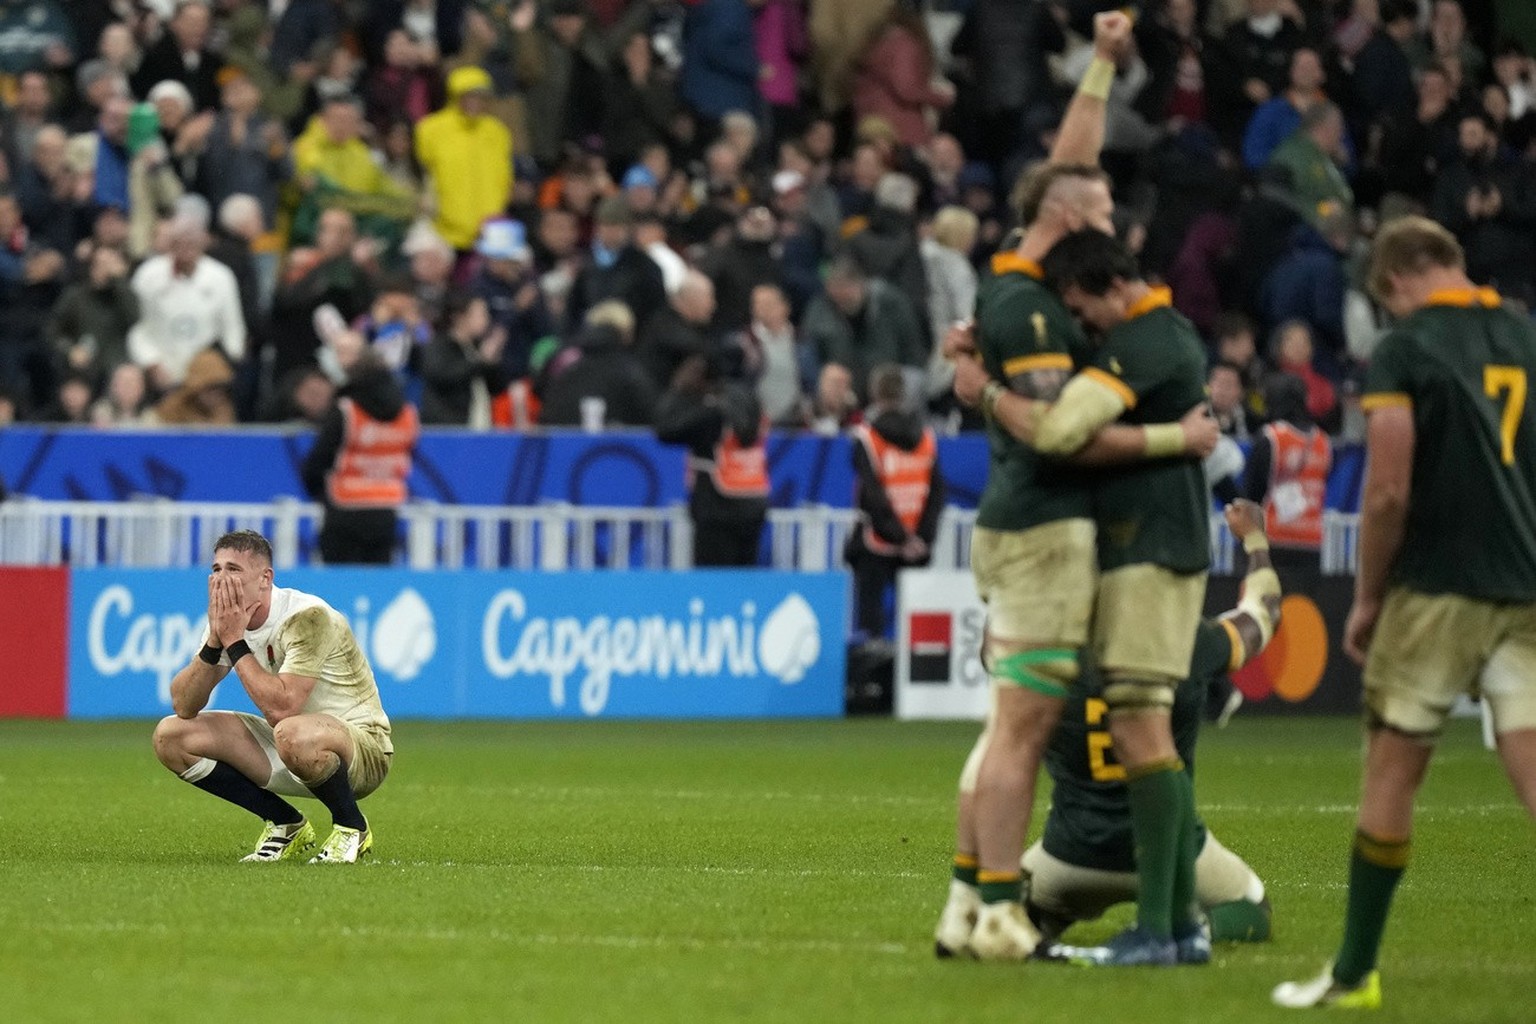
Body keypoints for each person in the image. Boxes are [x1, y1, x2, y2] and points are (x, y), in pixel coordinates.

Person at [932, 11, 1198, 963]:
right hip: (1043, 527)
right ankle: (1000, 909)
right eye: (1095, 213)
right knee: (1024, 724)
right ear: (1066, 221)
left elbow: (1066, 168)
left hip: (1030, 528)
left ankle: (968, 904)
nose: (1109, 222)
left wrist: (1099, 67)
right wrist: (1179, 434)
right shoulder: (1034, 303)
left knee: (1012, 722)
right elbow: (1054, 432)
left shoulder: (1026, 271)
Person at [1273, 216, 1536, 1009]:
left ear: (1392, 283)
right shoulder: (1524, 334)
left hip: (1435, 589)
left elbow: (1386, 489)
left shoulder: (1406, 347)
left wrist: (1367, 598)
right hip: (1525, 581)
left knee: (1394, 770)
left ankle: (1354, 971)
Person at [1019, 229, 1214, 967]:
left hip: (1151, 552)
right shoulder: (1163, 338)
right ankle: (1180, 928)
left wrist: (1002, 397)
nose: (1081, 325)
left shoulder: (1151, 338)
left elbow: (1063, 428)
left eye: (1079, 307)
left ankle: (1163, 930)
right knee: (1147, 734)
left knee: (1142, 734)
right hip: (1157, 548)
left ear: (1105, 285)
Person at [1027, 500, 1280, 947]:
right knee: (1253, 905)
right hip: (1176, 856)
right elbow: (1264, 613)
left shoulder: (1044, 639)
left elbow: (994, 643)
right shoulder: (1185, 638)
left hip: (1072, 853)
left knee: (1017, 903)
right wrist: (1256, 542)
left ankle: (1029, 925)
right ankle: (1197, 930)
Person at [151, 530, 393, 864]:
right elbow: (184, 704)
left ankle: (351, 826)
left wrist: (234, 641)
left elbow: (283, 708)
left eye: (233, 569)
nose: (221, 579)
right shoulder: (229, 621)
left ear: (265, 579)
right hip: (290, 743)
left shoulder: (307, 617)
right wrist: (214, 643)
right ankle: (285, 822)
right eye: (216, 569)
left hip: (361, 750)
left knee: (290, 731)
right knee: (171, 736)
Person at [846, 365, 945, 639]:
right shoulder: (926, 438)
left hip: (876, 543)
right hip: (917, 545)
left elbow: (873, 496)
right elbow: (937, 492)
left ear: (874, 395)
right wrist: (921, 538)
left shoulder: (866, 439)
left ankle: (872, 679)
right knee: (914, 623)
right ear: (903, 395)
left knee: (870, 623)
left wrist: (899, 536)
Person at [301, 352, 419, 565]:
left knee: (338, 589)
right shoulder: (408, 414)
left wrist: (319, 495)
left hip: (343, 510)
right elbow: (408, 455)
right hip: (385, 510)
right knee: (376, 587)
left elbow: (317, 462)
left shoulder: (347, 411)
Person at [655, 352, 770, 568]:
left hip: (716, 507)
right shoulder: (753, 402)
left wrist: (679, 389)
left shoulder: (711, 410)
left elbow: (665, 430)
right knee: (746, 584)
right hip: (754, 498)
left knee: (715, 585)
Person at [1244, 373, 1332, 558]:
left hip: (1273, 539)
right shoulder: (1323, 441)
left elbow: (1252, 493)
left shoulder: (1271, 437)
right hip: (1312, 542)